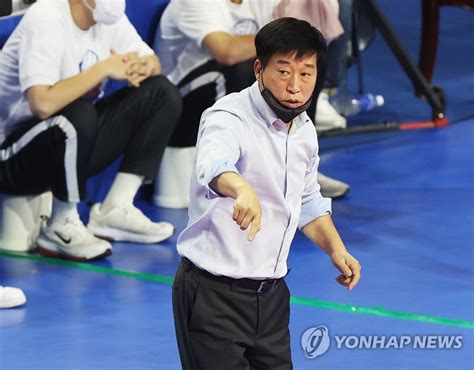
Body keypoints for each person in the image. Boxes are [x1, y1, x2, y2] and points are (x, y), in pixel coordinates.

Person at [172, 17, 361, 370]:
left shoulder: (303, 129)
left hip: (272, 297)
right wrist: (242, 189)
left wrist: (337, 249)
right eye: (284, 71)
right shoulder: (228, 117)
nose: (294, 86)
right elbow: (213, 165)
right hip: (214, 296)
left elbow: (307, 200)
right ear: (259, 68)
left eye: (306, 74)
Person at [0, 0, 182, 261]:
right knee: (79, 112)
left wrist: (144, 67)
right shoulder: (46, 17)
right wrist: (103, 69)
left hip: (65, 143)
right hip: (12, 154)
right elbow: (42, 103)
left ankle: (116, 207)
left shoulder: (108, 19)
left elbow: (151, 59)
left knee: (161, 92)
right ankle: (61, 222)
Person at [154, 0, 348, 208]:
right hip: (182, 106)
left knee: (305, 62)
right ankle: (240, 175)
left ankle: (296, 167)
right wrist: (278, 39)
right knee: (249, 67)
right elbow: (226, 51)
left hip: (221, 85)